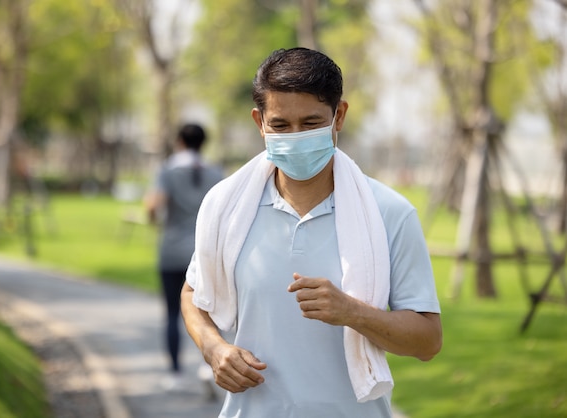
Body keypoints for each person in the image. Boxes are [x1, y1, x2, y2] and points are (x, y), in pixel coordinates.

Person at [180, 47, 442, 417]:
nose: (296, 137)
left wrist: (353, 312)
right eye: (281, 126)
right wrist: (213, 348)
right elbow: (194, 291)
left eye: (311, 123)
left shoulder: (389, 213)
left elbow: (428, 341)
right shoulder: (226, 205)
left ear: (340, 117)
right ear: (260, 122)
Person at [144, 123, 223, 389]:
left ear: (179, 141)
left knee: (171, 314)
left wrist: (154, 218)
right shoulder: (215, 172)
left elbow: (154, 205)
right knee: (209, 310)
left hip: (173, 251)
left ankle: (176, 373)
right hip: (205, 253)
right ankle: (207, 365)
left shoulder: (168, 170)